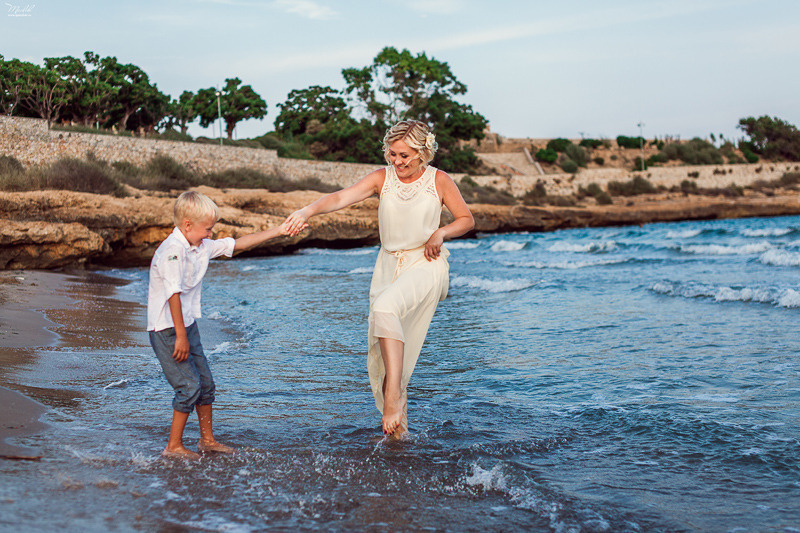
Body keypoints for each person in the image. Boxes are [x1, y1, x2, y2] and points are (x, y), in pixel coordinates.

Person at [284, 120, 474, 438]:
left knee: (385, 310)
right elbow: (338, 198)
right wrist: (306, 212)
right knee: (388, 361)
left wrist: (441, 232)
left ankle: (393, 398)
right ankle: (400, 441)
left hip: (426, 264)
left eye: (404, 155)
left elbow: (467, 220)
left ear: (423, 152)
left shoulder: (439, 180)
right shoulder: (381, 178)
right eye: (392, 154)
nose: (396, 161)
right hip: (387, 268)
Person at [147, 190, 298, 458]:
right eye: (207, 228)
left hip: (187, 325)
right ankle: (173, 447)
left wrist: (279, 231)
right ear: (188, 225)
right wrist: (180, 336)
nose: (210, 233)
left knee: (205, 384)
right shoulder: (173, 251)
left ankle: (207, 440)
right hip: (167, 329)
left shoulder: (200, 246)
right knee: (188, 387)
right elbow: (173, 294)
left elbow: (239, 244)